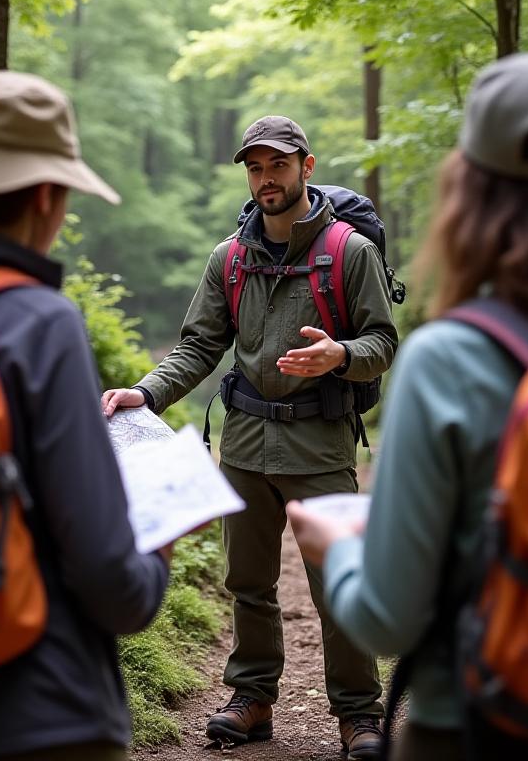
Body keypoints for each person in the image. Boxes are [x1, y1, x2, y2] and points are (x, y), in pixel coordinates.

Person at [102, 115, 398, 758]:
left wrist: (339, 355)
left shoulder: (350, 251)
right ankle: (252, 697)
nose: (267, 179)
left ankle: (359, 713)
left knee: (336, 580)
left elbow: (383, 343)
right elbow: (199, 346)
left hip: (319, 444)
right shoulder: (229, 258)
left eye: (278, 166)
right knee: (248, 581)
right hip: (242, 443)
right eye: (256, 168)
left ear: (306, 167)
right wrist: (145, 392)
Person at [287, 51, 528, 761]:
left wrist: (338, 550)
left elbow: (389, 620)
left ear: (467, 192)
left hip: (478, 718)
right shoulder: (235, 258)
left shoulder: (454, 361)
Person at [0, 70, 171, 761]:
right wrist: (159, 552)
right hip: (40, 713)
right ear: (49, 197)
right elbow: (110, 581)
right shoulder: (39, 323)